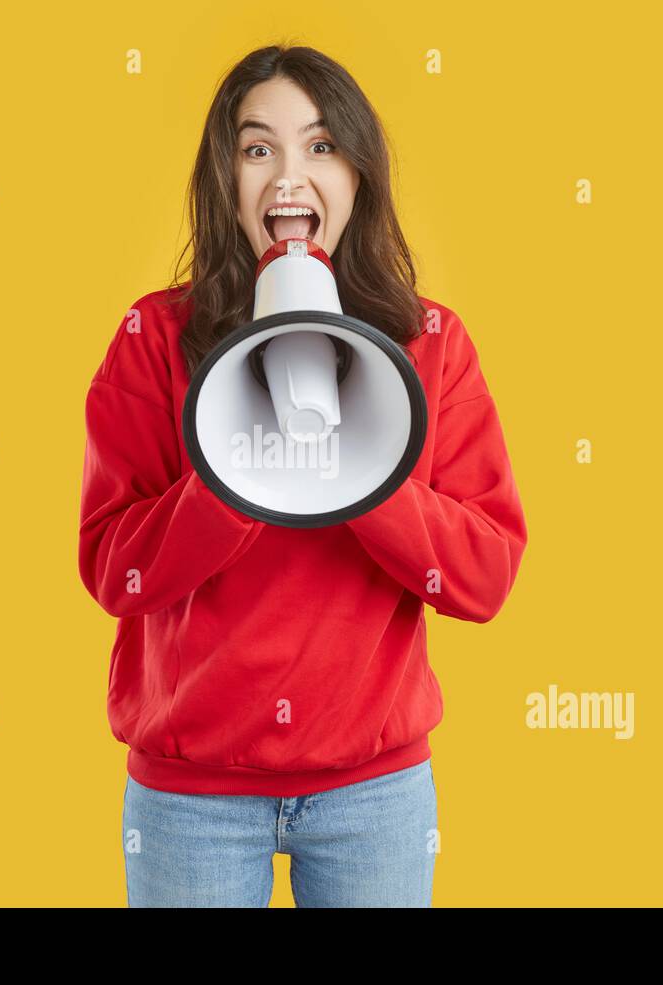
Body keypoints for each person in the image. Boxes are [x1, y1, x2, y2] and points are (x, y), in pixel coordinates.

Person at [78, 44, 528, 907]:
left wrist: (366, 474)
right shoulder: (151, 338)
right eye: (258, 149)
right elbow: (112, 568)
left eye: (321, 146)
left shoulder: (433, 342)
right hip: (190, 800)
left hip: (375, 797)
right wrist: (232, 476)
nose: (288, 174)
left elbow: (484, 577)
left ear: (359, 175)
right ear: (226, 179)